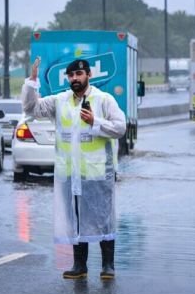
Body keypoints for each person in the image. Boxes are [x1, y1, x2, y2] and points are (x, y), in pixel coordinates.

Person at [21, 56, 126, 280]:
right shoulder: (60, 101)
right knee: (75, 219)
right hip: (70, 174)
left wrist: (95, 122)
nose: (75, 78)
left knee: (103, 218)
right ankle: (79, 266)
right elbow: (31, 108)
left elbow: (120, 128)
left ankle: (108, 266)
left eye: (79, 74)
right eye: (71, 75)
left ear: (89, 75)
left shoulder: (104, 100)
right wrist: (32, 82)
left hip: (97, 173)